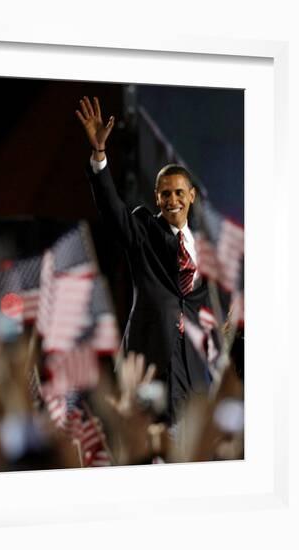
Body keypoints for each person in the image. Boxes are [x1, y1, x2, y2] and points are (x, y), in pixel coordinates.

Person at [76, 95, 216, 425]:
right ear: (156, 197)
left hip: (194, 370)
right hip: (151, 359)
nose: (172, 200)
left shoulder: (206, 248)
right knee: (148, 445)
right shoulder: (144, 229)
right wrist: (99, 155)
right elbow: (113, 212)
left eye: (179, 193)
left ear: (191, 196)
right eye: (165, 193)